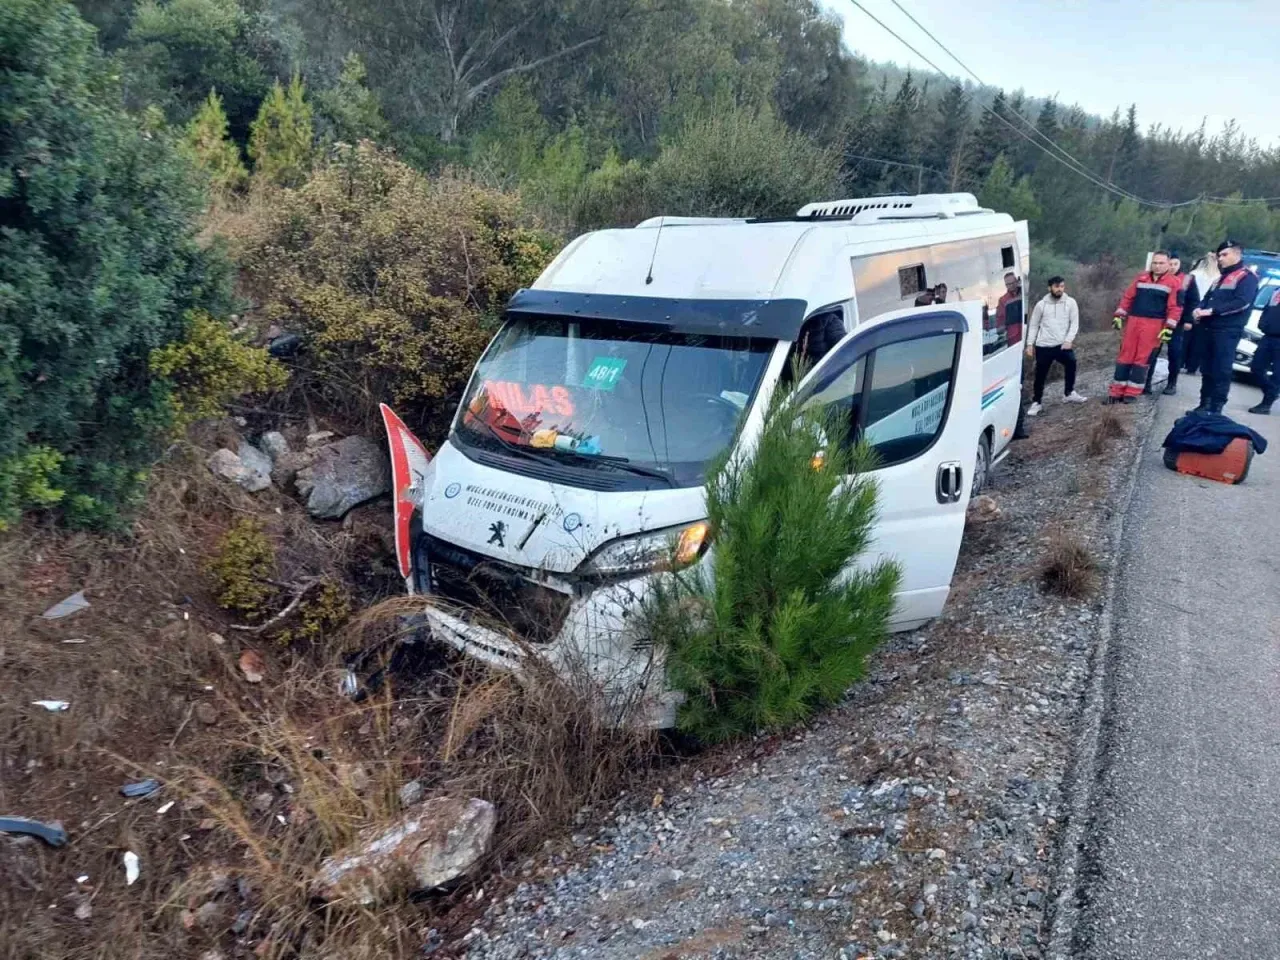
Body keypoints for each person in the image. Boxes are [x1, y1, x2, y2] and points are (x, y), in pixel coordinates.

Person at [1191, 239, 1258, 414]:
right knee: (1206, 368)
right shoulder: (1220, 278)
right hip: (1209, 328)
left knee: (1221, 369)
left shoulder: (1246, 277)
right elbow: (1207, 298)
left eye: (1224, 254)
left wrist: (1213, 311)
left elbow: (1242, 302)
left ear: (1237, 254)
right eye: (1219, 255)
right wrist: (1199, 309)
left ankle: (1216, 407)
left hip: (1227, 330)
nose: (1220, 258)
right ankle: (1203, 403)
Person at [1108, 250, 1180, 403]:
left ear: (1168, 264)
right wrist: (1119, 315)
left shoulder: (1173, 282)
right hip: (1134, 320)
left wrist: (1169, 327)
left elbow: (1175, 307)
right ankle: (1116, 392)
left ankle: (1131, 393)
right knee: (1125, 355)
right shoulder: (1141, 277)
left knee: (1142, 359)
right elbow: (1128, 297)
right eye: (1155, 263)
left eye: (1161, 263)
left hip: (1154, 325)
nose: (1158, 266)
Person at [1025, 275, 1088, 414]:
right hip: (1044, 345)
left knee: (1071, 362)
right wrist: (1030, 344)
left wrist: (1068, 340)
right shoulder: (1041, 305)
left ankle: (1069, 393)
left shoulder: (1071, 302)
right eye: (1056, 286)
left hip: (1062, 345)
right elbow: (1034, 325)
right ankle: (1037, 402)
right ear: (1050, 288)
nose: (1060, 289)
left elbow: (1074, 323)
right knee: (1040, 374)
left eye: (1062, 286)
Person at [1143, 253, 1200, 396]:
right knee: (1152, 353)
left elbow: (1193, 301)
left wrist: (1188, 320)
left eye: (1176, 264)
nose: (1173, 267)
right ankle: (1146, 383)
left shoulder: (1187, 279)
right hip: (1158, 321)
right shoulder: (1160, 278)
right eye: (1171, 264)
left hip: (1177, 324)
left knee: (1174, 353)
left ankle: (1172, 383)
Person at [1247, 286, 1280, 414]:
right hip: (1268, 336)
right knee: (1256, 367)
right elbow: (1267, 309)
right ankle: (1271, 391)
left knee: (1277, 374)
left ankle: (1266, 404)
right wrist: (1262, 323)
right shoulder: (1276, 291)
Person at [997, 272, 1024, 344]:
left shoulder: (1025, 293)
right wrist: (1001, 332)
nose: (1011, 285)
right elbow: (1000, 319)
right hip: (1013, 338)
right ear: (1005, 285)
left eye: (1013, 282)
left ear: (1017, 281)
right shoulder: (1002, 300)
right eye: (1008, 284)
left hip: (1026, 332)